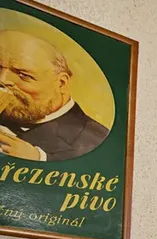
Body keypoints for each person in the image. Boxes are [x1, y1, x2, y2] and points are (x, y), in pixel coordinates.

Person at [0, 29, 108, 162]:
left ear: (61, 83)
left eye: (24, 75)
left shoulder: (95, 140)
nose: (2, 80)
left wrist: (40, 159)